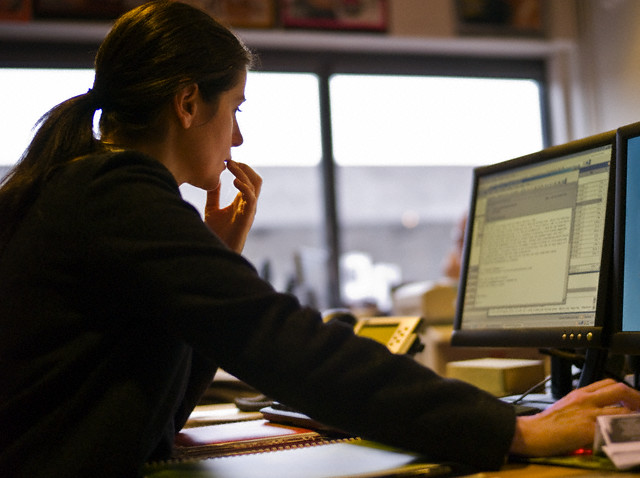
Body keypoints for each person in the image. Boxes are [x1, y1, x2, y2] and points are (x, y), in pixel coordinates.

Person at [1, 2, 639, 477]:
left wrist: (216, 259)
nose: (239, 139)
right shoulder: (116, 191)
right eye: (237, 109)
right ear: (188, 103)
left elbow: (156, 412)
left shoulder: (80, 185)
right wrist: (515, 432)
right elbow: (278, 341)